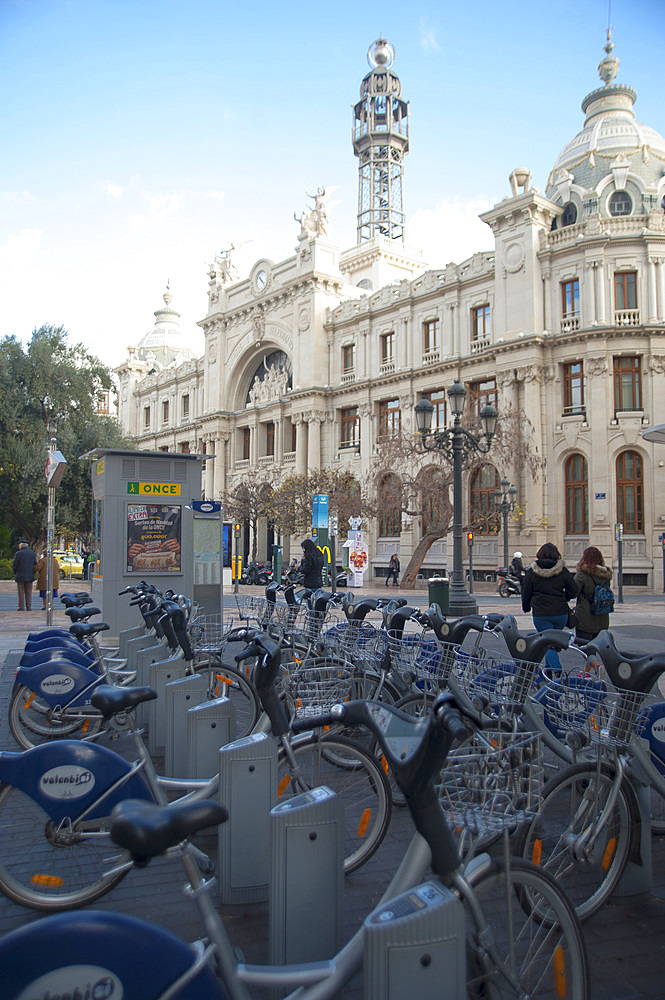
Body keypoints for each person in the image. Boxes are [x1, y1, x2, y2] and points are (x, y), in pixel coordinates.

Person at [521, 542, 578, 673]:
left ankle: (556, 669)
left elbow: (526, 591)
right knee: (552, 642)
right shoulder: (562, 570)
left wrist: (526, 606)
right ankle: (549, 671)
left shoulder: (533, 571)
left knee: (548, 644)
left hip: (541, 613)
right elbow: (573, 589)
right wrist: (565, 597)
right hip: (560, 613)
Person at [574, 546, 613, 642]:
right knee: (597, 647)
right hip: (602, 618)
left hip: (585, 618)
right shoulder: (605, 575)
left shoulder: (582, 575)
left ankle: (592, 657)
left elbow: (573, 592)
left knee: (585, 648)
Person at [12, 540, 38, 611]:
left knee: (21, 592)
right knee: (29, 592)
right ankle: (29, 606)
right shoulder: (32, 554)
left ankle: (21, 607)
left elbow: (15, 565)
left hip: (20, 575)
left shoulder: (18, 554)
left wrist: (15, 572)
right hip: (29, 575)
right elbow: (35, 564)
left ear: (21, 545)